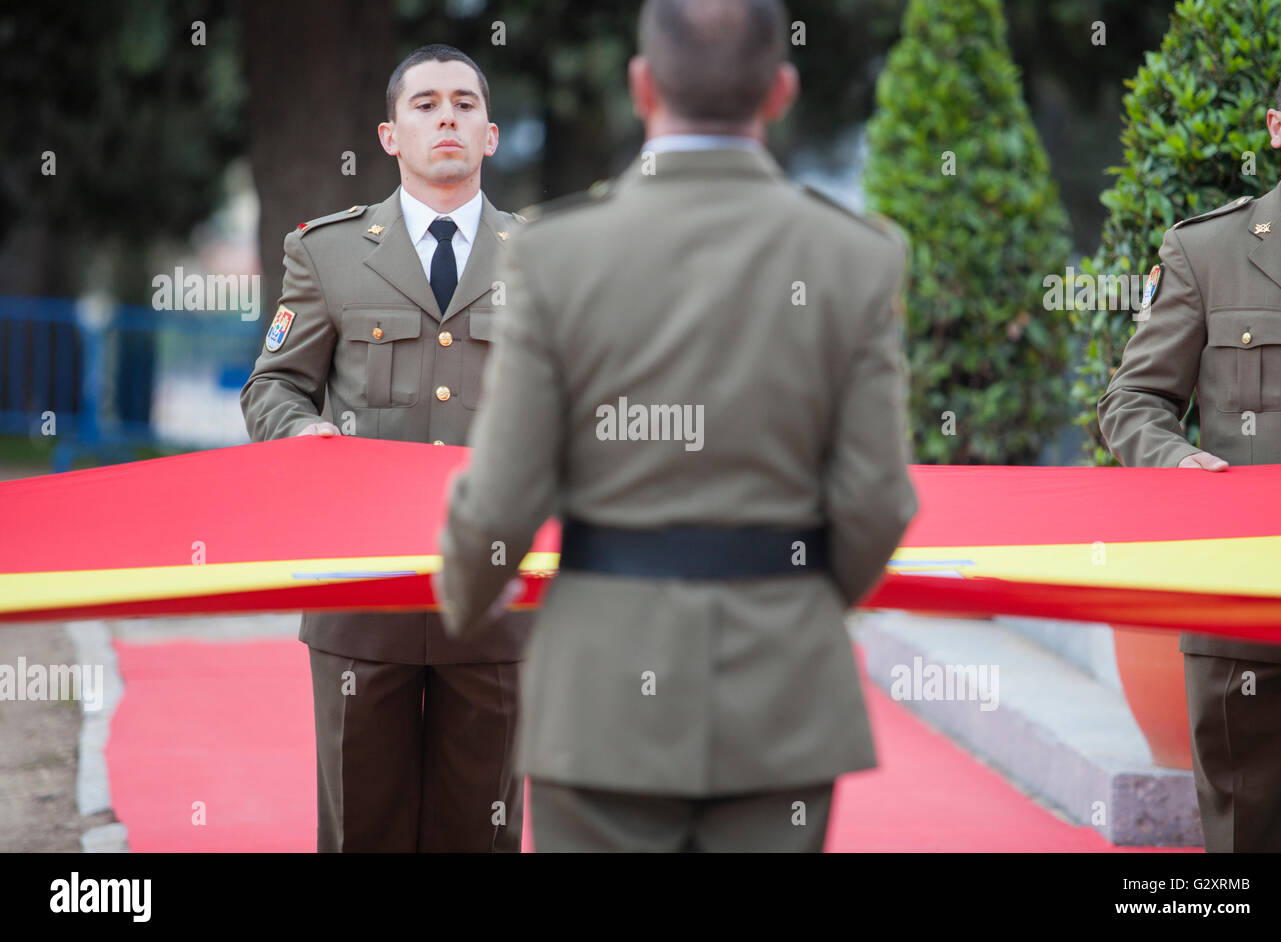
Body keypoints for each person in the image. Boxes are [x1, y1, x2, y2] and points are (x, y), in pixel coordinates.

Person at [437, 0, 916, 852]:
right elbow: (878, 501)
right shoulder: (855, 256)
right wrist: (796, 601)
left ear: (641, 85)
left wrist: (465, 597)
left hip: (603, 694)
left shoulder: (554, 253)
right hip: (785, 698)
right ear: (781, 90)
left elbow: (502, 500)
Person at [241, 44, 528, 852]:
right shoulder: (327, 252)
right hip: (359, 596)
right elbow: (272, 386)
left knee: (483, 831)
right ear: (389, 135)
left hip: (495, 598)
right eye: (426, 103)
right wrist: (303, 434)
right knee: (361, 826)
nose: (447, 117)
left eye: (465, 104)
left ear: (492, 135)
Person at [1098, 54, 1281, 852]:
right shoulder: (1206, 254)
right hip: (1245, 615)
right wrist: (1177, 464)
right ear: (1276, 127)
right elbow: (1132, 401)